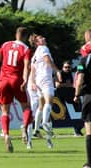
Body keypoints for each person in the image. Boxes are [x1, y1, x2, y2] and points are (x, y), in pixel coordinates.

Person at [0, 27, 32, 152]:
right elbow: (27, 66)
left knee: (5, 111)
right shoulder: (26, 49)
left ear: (16, 34)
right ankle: (25, 127)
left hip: (4, 81)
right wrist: (25, 79)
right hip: (17, 80)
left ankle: (6, 134)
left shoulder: (6, 44)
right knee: (26, 107)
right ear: (25, 37)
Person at [30, 35, 61, 148]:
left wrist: (33, 82)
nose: (44, 39)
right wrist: (57, 71)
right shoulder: (43, 48)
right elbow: (47, 60)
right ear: (37, 42)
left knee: (41, 105)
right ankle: (44, 123)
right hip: (45, 79)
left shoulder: (34, 55)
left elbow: (32, 70)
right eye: (41, 38)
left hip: (38, 80)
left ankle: (36, 129)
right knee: (49, 101)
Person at [74, 29, 91, 168]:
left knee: (89, 129)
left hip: (89, 96)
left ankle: (89, 163)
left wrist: (76, 94)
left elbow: (80, 79)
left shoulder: (84, 60)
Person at [55, 60, 84, 136]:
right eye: (66, 67)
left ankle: (77, 129)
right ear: (62, 67)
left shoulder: (70, 74)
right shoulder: (60, 73)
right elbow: (57, 85)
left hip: (71, 96)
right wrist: (67, 85)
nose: (67, 69)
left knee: (81, 112)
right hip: (62, 98)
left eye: (69, 67)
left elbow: (72, 84)